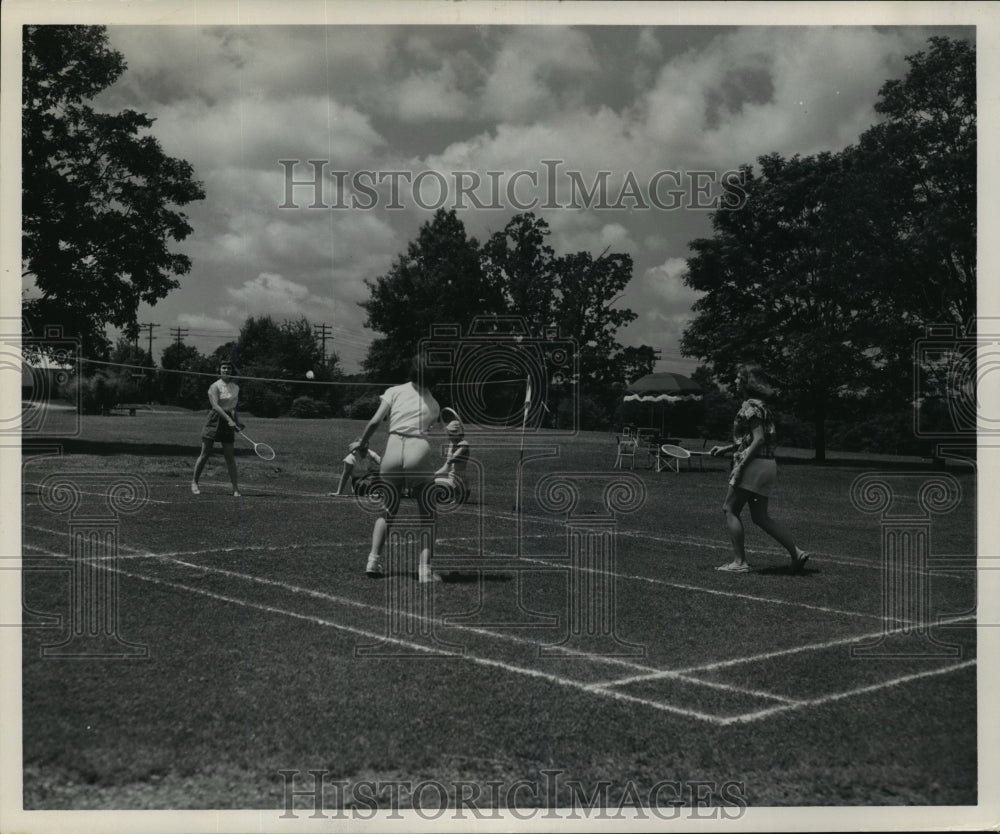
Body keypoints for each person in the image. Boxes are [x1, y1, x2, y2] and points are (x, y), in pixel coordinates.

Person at [709, 364, 809, 573]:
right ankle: (797, 553)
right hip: (767, 464)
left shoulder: (749, 406)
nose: (735, 381)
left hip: (753, 465)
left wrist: (740, 467)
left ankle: (739, 562)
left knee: (730, 509)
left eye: (738, 378)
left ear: (747, 383)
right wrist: (726, 449)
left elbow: (759, 439)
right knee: (760, 517)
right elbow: (752, 439)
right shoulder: (762, 406)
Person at [357, 355, 443, 582]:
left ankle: (373, 561)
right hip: (418, 451)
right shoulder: (434, 404)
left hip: (392, 451)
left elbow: (375, 421)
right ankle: (424, 570)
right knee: (428, 516)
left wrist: (362, 443)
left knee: (387, 511)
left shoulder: (394, 391)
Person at [192, 360, 242, 497]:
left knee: (229, 457)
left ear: (231, 371)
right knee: (205, 453)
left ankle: (235, 488)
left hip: (228, 421)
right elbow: (215, 406)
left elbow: (233, 408)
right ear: (219, 370)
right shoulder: (214, 386)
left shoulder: (235, 387)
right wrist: (229, 419)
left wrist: (237, 422)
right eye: (223, 368)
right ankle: (194, 482)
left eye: (228, 368)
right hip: (214, 419)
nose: (226, 370)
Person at [433, 412, 470, 504]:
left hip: (460, 485)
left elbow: (453, 458)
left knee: (430, 485)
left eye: (451, 433)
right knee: (431, 481)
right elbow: (446, 467)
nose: (448, 436)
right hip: (453, 482)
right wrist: (433, 474)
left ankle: (456, 495)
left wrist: (452, 456)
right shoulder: (452, 444)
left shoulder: (464, 444)